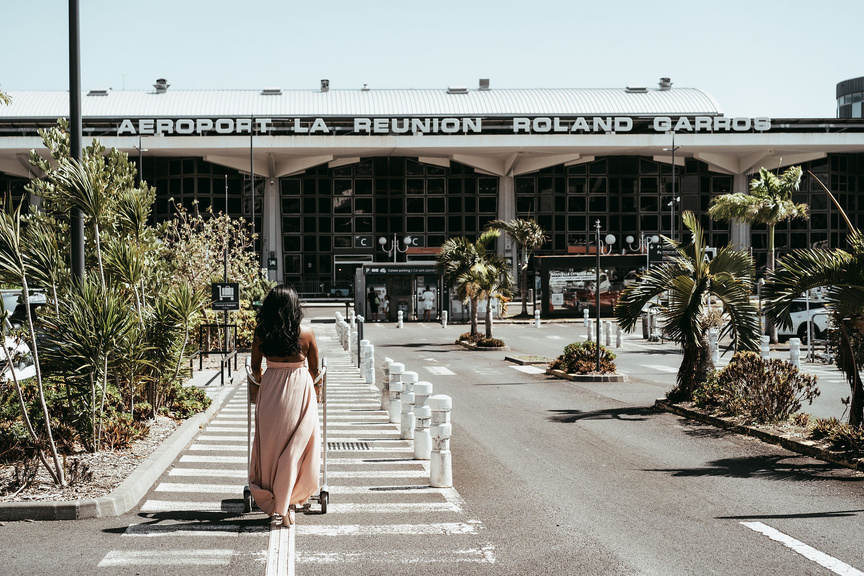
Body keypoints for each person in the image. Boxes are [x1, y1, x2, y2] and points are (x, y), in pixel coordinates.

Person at [248, 286, 321, 526]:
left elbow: (256, 368)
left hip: (270, 391)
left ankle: (276, 499)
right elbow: (314, 370)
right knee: (298, 446)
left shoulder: (262, 334)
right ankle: (289, 499)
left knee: (271, 447)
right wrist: (316, 392)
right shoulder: (306, 333)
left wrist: (261, 388)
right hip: (300, 391)